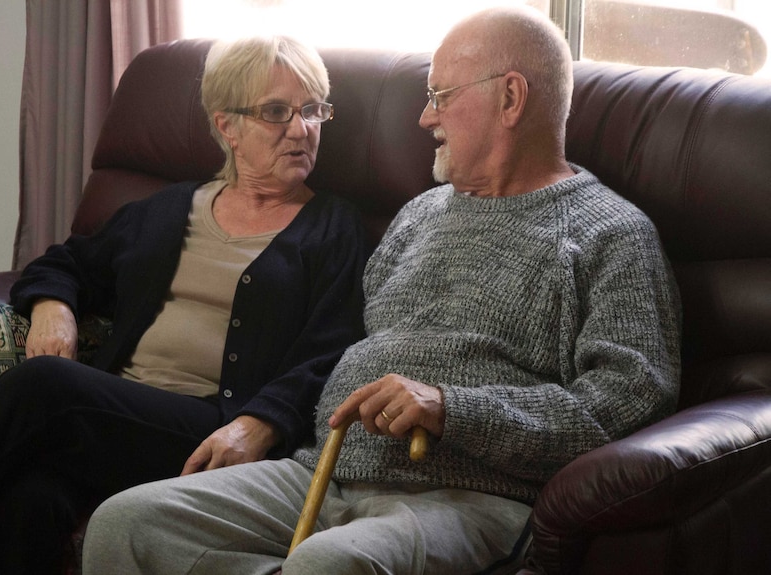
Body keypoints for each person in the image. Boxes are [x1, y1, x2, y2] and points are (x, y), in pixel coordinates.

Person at [81, 6, 682, 575]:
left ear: (510, 97)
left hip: (467, 497)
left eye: (441, 97)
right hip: (322, 469)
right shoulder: (417, 215)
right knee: (125, 523)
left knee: (325, 564)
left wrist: (452, 408)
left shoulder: (612, 235)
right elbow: (344, 345)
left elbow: (625, 407)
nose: (424, 118)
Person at [0, 35, 368, 575]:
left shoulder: (335, 228)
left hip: (214, 429)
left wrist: (260, 423)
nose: (302, 129)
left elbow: (334, 348)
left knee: (48, 385)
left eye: (313, 110)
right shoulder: (166, 210)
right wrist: (54, 303)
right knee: (28, 499)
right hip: (117, 417)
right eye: (277, 112)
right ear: (228, 128)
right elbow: (62, 263)